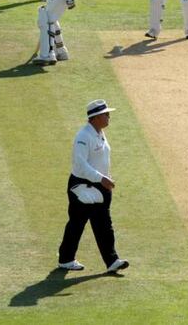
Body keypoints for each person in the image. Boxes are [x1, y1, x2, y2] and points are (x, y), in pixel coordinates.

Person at [57, 99, 129, 273]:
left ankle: (112, 261)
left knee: (104, 224)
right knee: (77, 223)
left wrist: (105, 178)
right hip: (82, 187)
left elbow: (100, 159)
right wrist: (101, 178)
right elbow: (80, 165)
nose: (109, 117)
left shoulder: (99, 133)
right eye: (106, 114)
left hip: (100, 186)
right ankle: (66, 259)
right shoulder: (83, 137)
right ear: (95, 117)